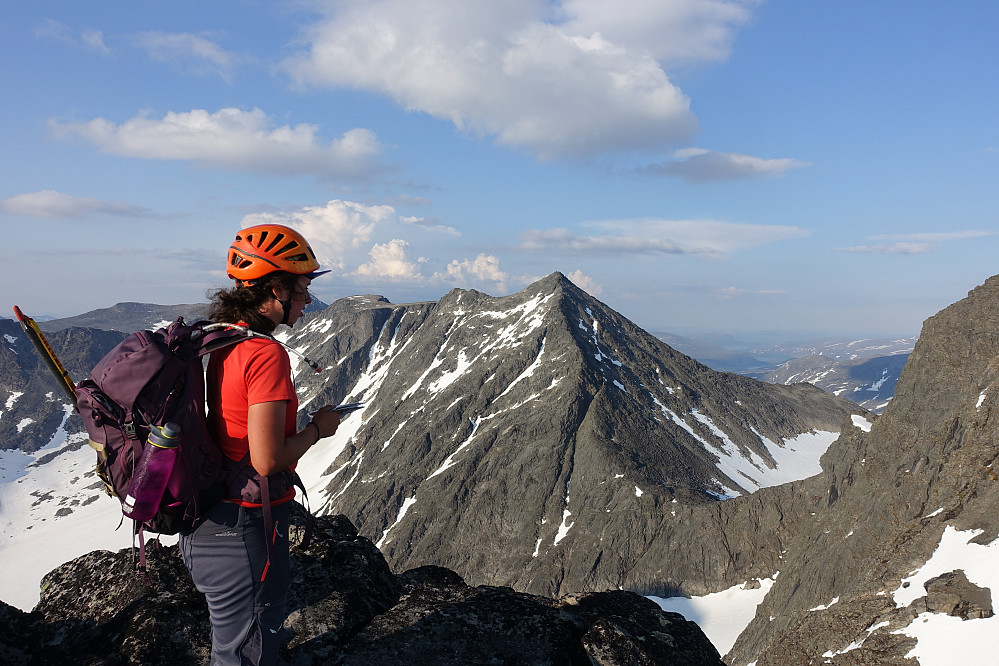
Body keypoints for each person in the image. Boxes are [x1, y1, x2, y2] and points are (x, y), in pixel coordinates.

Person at [180, 223, 342, 665]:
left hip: (207, 518)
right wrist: (318, 429)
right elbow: (267, 459)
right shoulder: (266, 354)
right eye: (303, 287)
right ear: (275, 288)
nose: (308, 299)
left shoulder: (215, 337)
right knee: (241, 655)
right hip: (242, 528)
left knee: (241, 637)